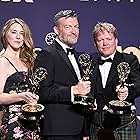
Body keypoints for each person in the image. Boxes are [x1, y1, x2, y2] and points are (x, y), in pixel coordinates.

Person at [35, 10, 91, 140]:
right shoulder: (47, 54)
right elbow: (42, 92)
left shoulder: (78, 57)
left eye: (76, 27)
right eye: (68, 27)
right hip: (58, 129)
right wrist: (73, 90)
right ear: (56, 30)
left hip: (79, 128)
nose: (74, 31)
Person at [90, 22, 140, 140]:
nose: (105, 43)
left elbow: (138, 84)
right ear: (95, 43)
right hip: (96, 123)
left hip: (123, 122)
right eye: (100, 40)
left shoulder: (129, 60)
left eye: (109, 39)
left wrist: (128, 91)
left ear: (116, 41)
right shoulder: (90, 62)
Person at [0, 18, 40, 139]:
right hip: (14, 124)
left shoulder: (28, 61)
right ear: (5, 34)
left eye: (21, 33)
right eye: (13, 32)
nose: (18, 36)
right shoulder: (2, 61)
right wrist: (22, 96)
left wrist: (34, 97)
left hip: (33, 122)